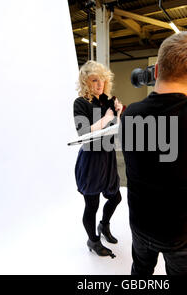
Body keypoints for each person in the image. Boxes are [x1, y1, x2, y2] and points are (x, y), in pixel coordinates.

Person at [120, 31, 187, 274]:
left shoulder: (131, 116)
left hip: (141, 225)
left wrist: (156, 72)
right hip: (181, 234)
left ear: (157, 69)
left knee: (140, 272)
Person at [73, 60, 123, 258]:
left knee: (116, 197)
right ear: (86, 82)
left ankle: (104, 225)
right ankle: (92, 240)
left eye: (101, 80)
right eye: (94, 80)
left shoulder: (107, 101)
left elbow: (115, 128)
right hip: (91, 158)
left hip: (108, 155)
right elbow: (83, 132)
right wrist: (106, 117)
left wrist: (117, 113)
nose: (99, 84)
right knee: (91, 204)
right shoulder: (81, 103)